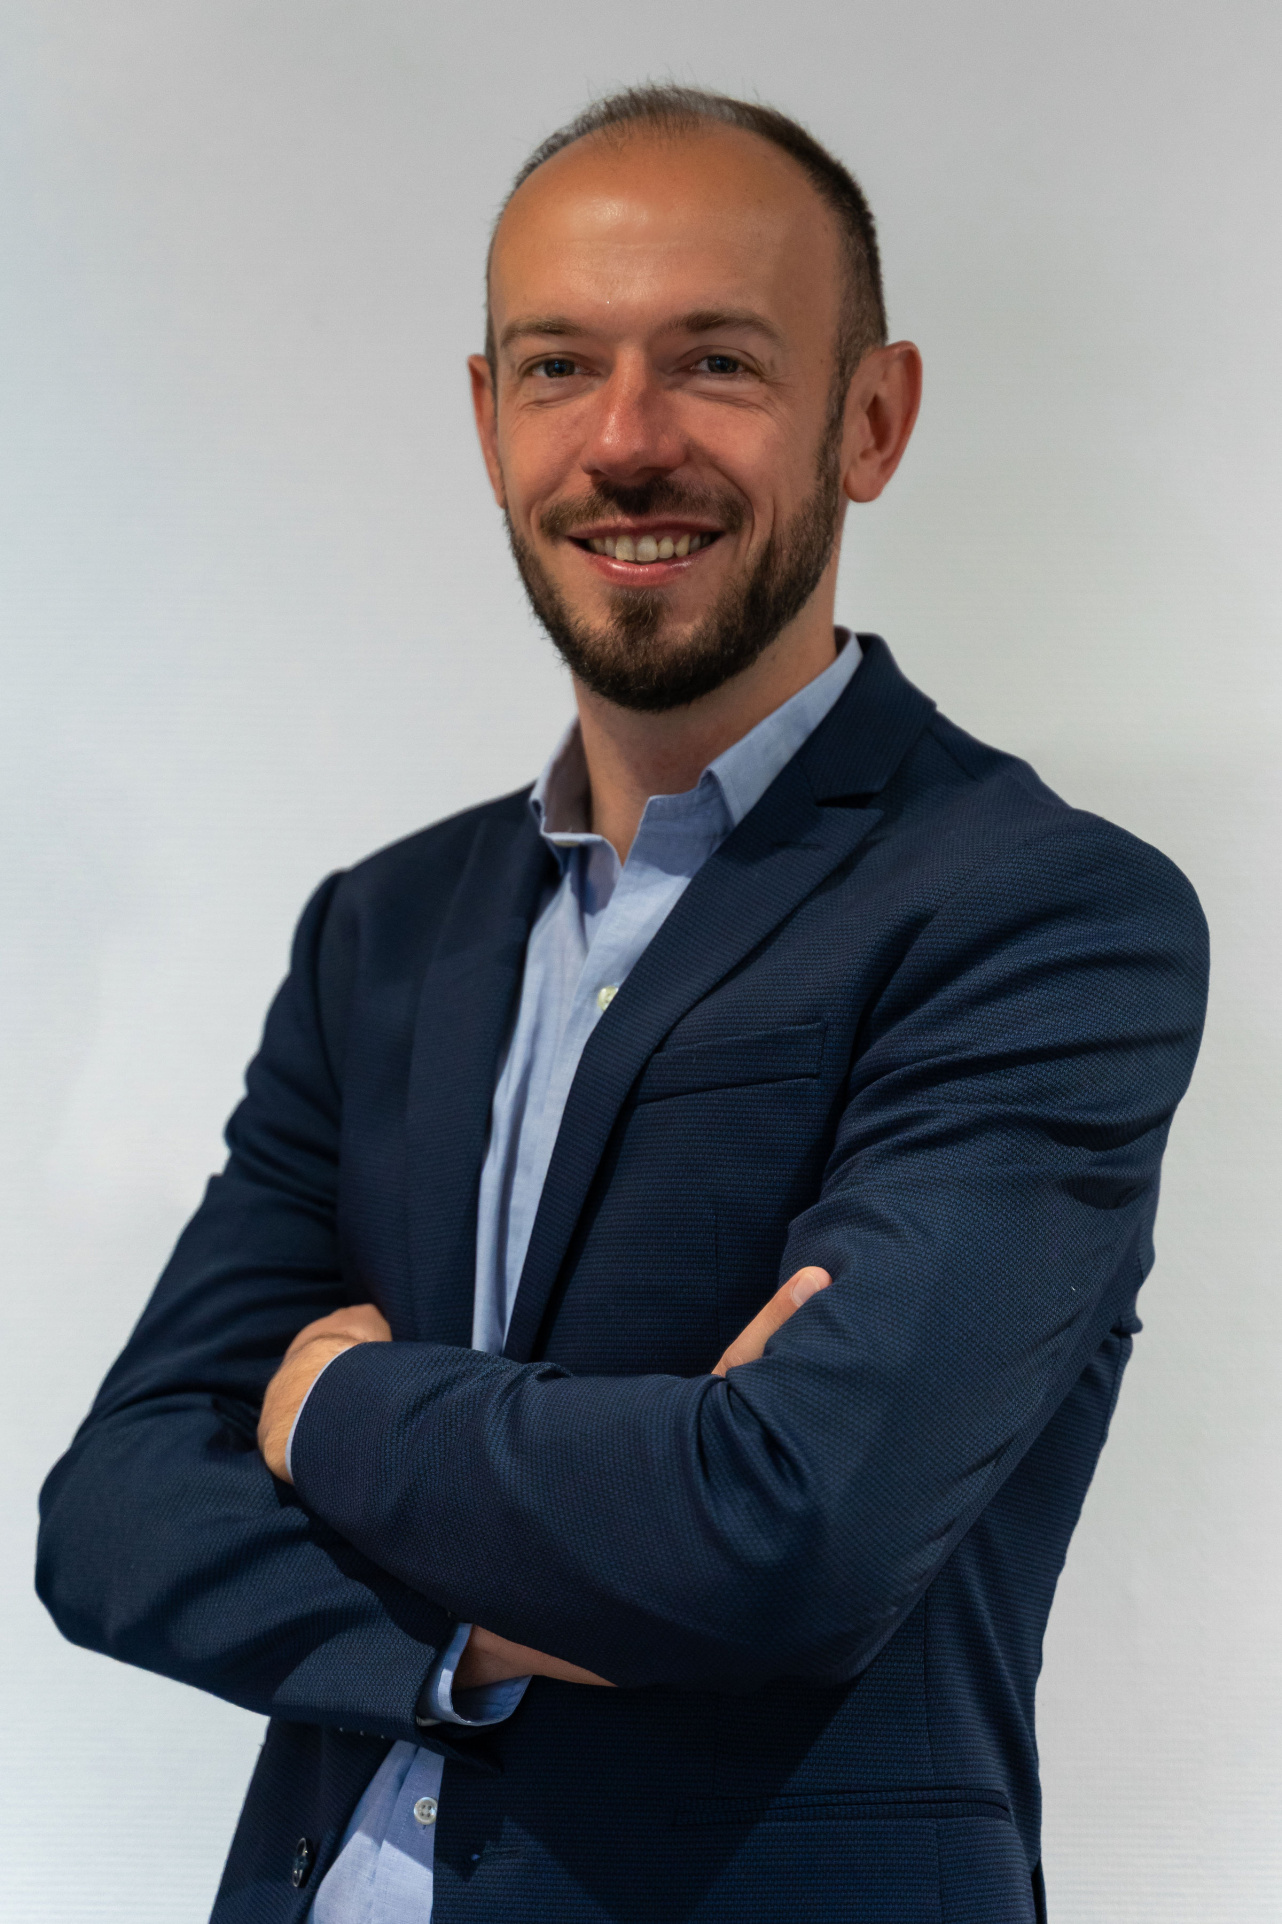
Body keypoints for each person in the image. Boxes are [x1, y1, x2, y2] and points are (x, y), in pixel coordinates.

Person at [36, 84, 1208, 1924]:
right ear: (486, 418)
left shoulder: (1038, 913)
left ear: (871, 419)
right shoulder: (380, 932)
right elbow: (112, 1513)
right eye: (558, 368)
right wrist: (530, 1599)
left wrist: (328, 1413)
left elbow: (785, 1536)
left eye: (716, 362)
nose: (626, 439)